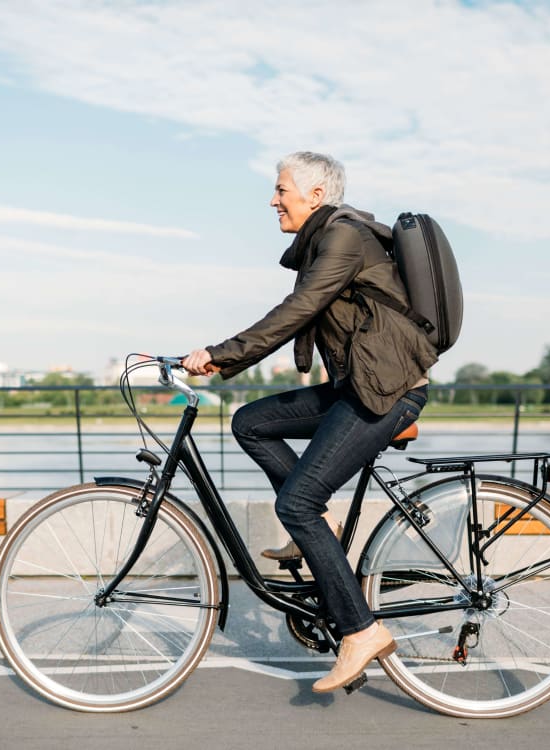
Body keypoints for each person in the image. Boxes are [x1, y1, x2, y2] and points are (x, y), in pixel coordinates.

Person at [182, 151, 438, 694]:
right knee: (251, 422)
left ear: (315, 196)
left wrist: (221, 355)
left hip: (386, 393)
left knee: (293, 503)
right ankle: (320, 531)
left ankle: (361, 631)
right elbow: (299, 308)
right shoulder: (326, 239)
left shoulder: (343, 237)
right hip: (360, 386)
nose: (273, 199)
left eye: (281, 189)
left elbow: (298, 309)